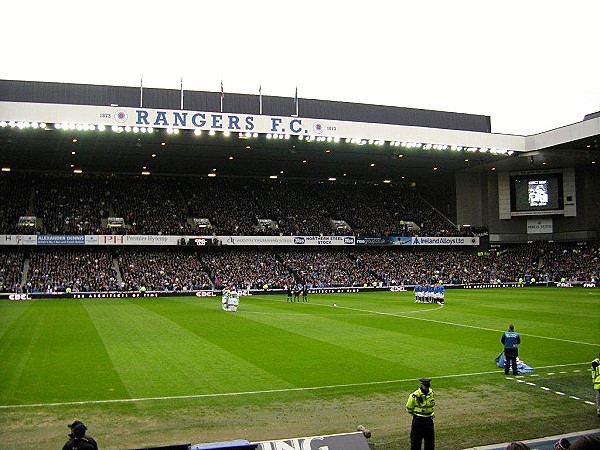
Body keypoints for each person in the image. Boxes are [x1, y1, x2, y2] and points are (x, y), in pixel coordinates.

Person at [406, 377, 435, 450]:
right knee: (416, 442)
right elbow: (409, 408)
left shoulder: (431, 393)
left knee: (430, 442)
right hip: (418, 421)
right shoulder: (414, 395)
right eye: (425, 386)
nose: (427, 388)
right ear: (422, 385)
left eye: (428, 386)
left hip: (429, 420)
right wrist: (416, 415)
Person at [592, 352, 600, 417]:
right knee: (598, 397)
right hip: (598, 382)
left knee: (598, 397)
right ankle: (599, 410)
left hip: (597, 382)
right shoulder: (595, 362)